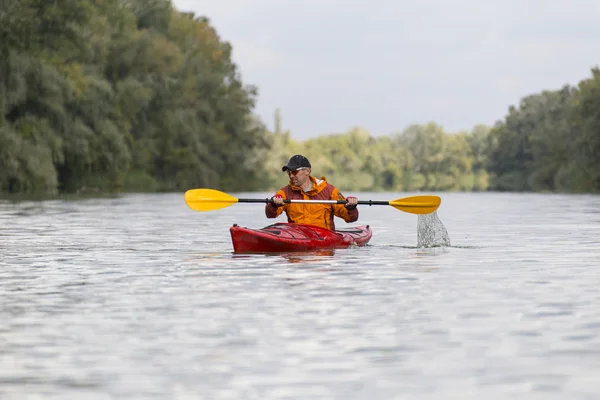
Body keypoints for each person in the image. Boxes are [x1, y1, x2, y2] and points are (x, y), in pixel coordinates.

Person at [265, 154, 359, 230]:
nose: (291, 176)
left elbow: (350, 218)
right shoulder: (285, 192)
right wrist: (273, 205)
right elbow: (270, 215)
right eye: (289, 172)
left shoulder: (329, 191)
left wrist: (351, 207)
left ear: (307, 171)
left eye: (294, 172)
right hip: (298, 238)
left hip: (323, 241)